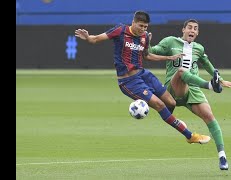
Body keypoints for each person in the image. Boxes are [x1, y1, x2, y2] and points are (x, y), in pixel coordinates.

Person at [74, 11, 211, 145]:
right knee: (160, 105)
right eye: (140, 26)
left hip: (144, 75)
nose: (143, 29)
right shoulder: (120, 30)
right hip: (128, 81)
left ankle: (170, 119)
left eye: (145, 27)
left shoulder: (144, 36)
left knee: (171, 102)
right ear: (133, 22)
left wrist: (169, 57)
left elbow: (147, 55)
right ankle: (189, 135)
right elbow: (96, 39)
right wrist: (88, 37)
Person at [148, 19, 231, 170]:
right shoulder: (170, 42)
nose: (192, 30)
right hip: (172, 88)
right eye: (189, 27)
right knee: (182, 71)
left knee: (210, 117)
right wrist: (147, 43)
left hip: (193, 90)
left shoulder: (199, 48)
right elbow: (151, 52)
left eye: (195, 29)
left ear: (197, 33)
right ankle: (209, 85)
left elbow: (207, 64)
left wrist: (221, 80)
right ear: (183, 30)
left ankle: (222, 156)